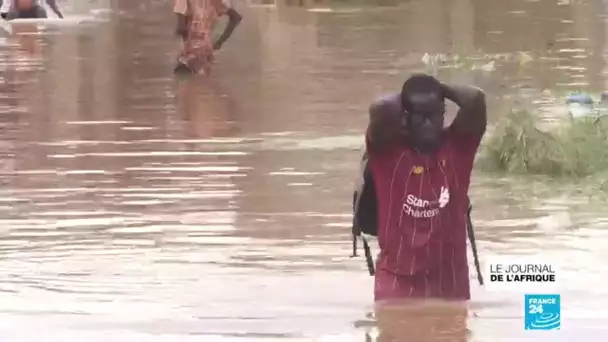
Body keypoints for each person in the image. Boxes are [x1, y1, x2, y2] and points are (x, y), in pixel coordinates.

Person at [364, 73, 487, 302]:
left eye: (434, 115)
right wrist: (411, 93)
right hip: (397, 287)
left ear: (443, 115)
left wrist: (438, 88)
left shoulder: (459, 147)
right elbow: (381, 108)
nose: (428, 123)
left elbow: (476, 100)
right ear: (405, 118)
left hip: (451, 286)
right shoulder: (386, 152)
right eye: (420, 117)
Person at [173, 0, 242, 76]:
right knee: (203, 80)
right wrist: (219, 42)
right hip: (207, 49)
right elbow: (236, 17)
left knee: (186, 81)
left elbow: (181, 28)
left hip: (190, 50)